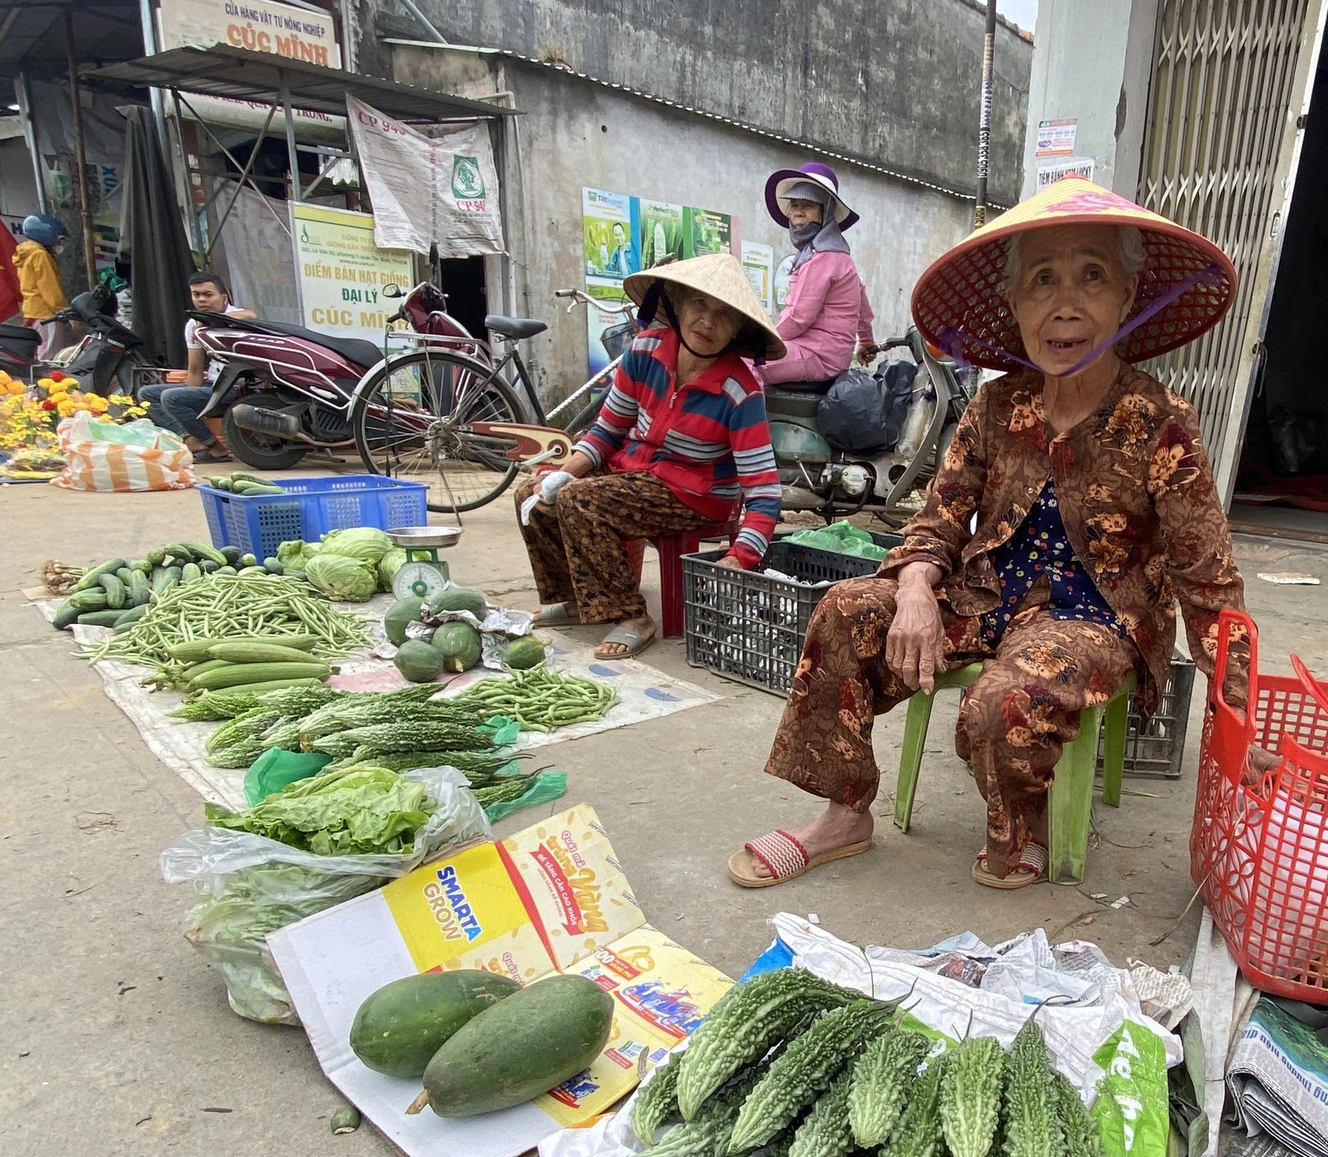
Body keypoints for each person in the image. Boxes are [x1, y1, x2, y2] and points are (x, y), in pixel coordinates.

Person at [731, 176, 1251, 890]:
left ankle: (1019, 826)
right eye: (1042, 279)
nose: (1065, 304)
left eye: (1091, 275)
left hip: (1094, 616)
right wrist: (914, 584)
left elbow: (1207, 576)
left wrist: (1243, 718)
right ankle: (844, 812)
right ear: (1014, 304)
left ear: (1127, 296)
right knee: (846, 610)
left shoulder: (1160, 418)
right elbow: (939, 516)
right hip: (988, 595)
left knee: (1004, 700)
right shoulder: (994, 405)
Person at [515, 251, 783, 660]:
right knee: (531, 496)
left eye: (724, 315)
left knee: (581, 501)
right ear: (675, 303)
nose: (707, 322)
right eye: (698, 304)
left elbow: (764, 492)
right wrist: (561, 472)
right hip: (633, 474)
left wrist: (739, 558)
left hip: (695, 495)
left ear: (738, 330)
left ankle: (632, 615)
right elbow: (606, 430)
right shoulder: (642, 352)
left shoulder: (740, 392)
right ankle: (574, 598)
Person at [760, 161, 874, 385]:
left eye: (808, 205)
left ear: (825, 210)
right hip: (827, 354)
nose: (798, 213)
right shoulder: (840, 256)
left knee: (742, 364)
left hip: (818, 354)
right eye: (794, 205)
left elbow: (797, 318)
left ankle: (750, 421)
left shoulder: (822, 257)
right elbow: (862, 305)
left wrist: (762, 340)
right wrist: (866, 340)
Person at [140, 271, 254, 463]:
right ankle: (196, 440)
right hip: (211, 385)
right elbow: (194, 370)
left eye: (208, 295)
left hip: (235, 388)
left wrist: (216, 321)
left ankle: (212, 446)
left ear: (224, 297)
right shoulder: (194, 324)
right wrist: (189, 402)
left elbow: (251, 314)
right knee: (147, 394)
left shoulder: (238, 318)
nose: (202, 300)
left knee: (171, 397)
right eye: (196, 294)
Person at [13, 214, 69, 358]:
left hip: (33, 312)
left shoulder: (26, 254)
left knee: (39, 355)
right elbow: (50, 290)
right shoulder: (40, 255)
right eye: (60, 240)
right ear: (47, 235)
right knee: (50, 357)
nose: (60, 245)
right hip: (47, 314)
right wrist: (66, 311)